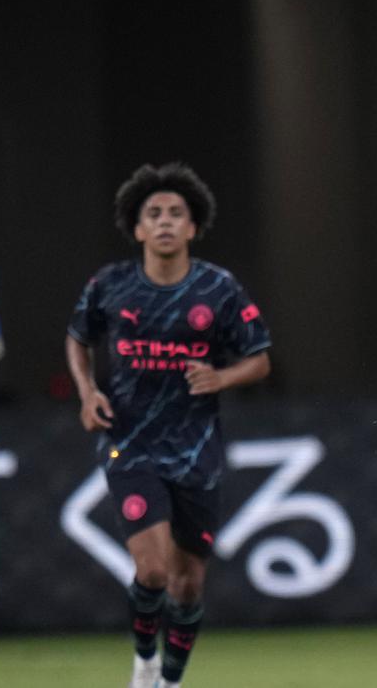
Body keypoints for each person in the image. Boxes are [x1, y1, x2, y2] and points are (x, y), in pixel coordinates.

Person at [65, 163, 271, 688]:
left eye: (175, 213)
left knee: (187, 587)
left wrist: (221, 377)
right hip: (129, 445)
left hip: (195, 451)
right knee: (153, 570)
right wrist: (88, 393)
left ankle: (171, 682)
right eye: (152, 213)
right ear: (136, 228)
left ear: (192, 227)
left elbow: (260, 360)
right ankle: (144, 666)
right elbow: (78, 337)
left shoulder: (219, 289)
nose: (163, 222)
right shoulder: (111, 285)